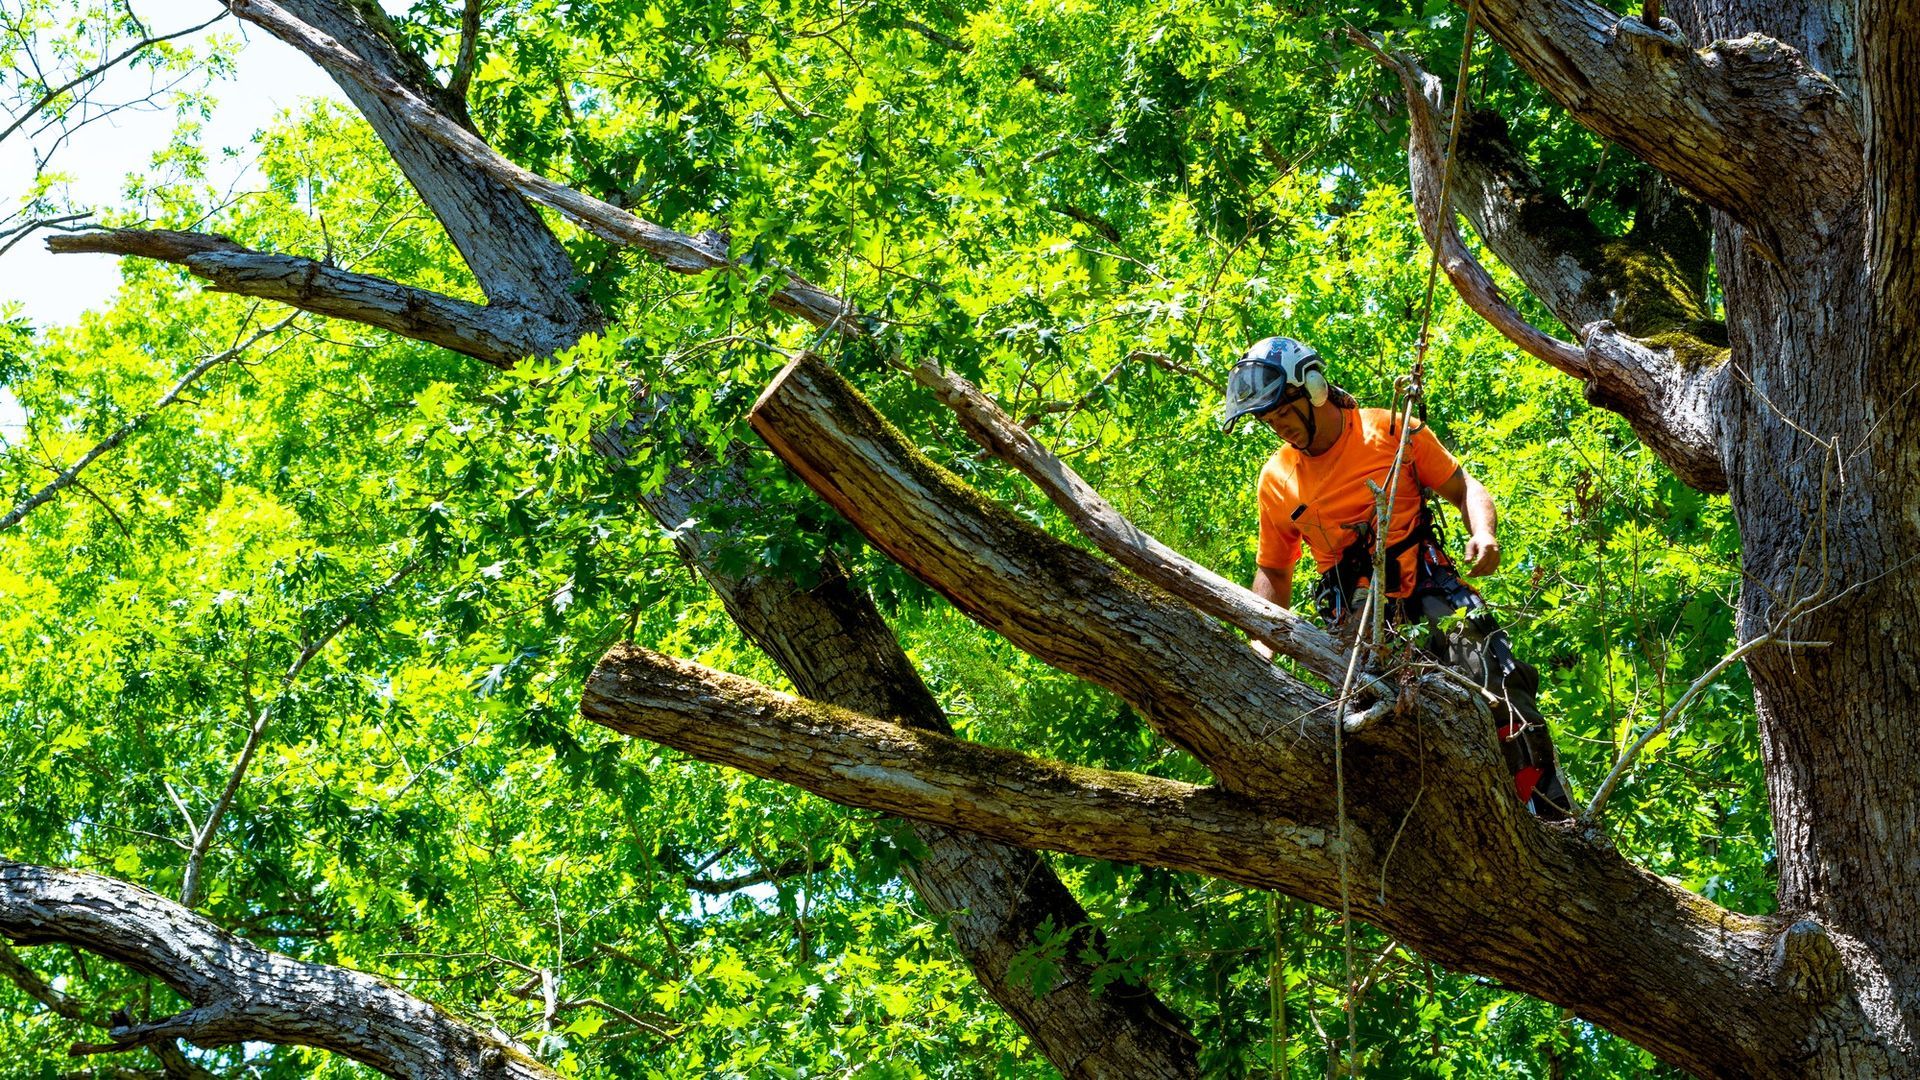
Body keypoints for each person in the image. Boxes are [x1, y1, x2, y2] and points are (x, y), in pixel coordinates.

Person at [1222, 335, 1573, 820]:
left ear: (1315, 387)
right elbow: (1274, 571)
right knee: (1376, 731)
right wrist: (1262, 645)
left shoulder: (1390, 429)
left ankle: (1550, 814)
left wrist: (1484, 534)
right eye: (1268, 420)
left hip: (1427, 584)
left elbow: (1463, 485)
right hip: (1354, 614)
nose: (1279, 427)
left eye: (1283, 412)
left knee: (1498, 686)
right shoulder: (1277, 480)